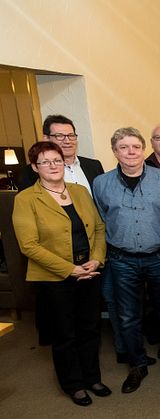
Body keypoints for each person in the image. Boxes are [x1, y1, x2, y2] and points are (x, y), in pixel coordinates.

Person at [12, 141, 109, 406]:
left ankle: (92, 377)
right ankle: (73, 384)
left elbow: (99, 228)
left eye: (57, 161)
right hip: (54, 279)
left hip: (89, 272)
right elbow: (28, 245)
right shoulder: (26, 199)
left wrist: (97, 259)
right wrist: (70, 269)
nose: (53, 166)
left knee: (90, 328)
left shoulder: (79, 191)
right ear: (35, 167)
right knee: (65, 334)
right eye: (45, 162)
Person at [93, 127, 160, 394]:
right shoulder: (101, 183)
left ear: (144, 149)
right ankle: (137, 365)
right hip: (122, 260)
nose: (130, 152)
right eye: (123, 147)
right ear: (115, 152)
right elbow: (101, 219)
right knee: (128, 317)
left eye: (135, 147)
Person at [18, 114, 105, 193]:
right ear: (46, 139)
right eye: (60, 136)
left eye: (71, 135)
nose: (67, 141)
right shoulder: (31, 172)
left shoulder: (94, 166)